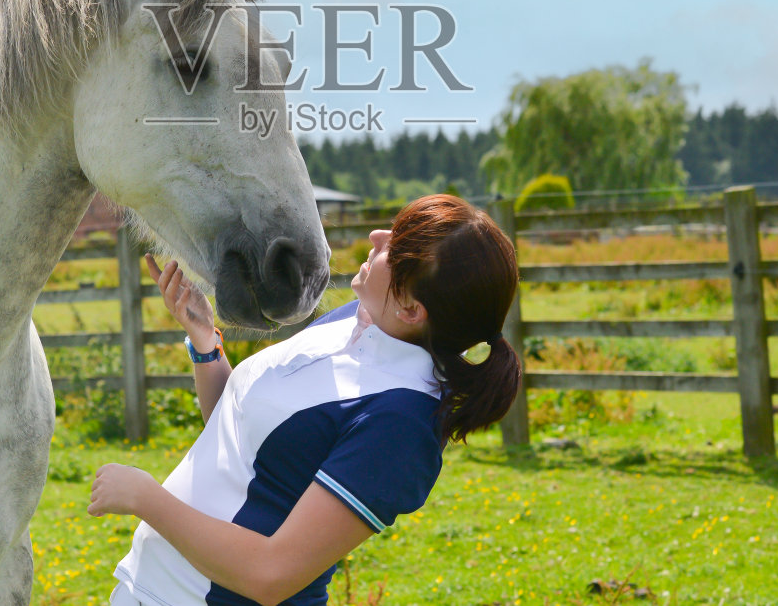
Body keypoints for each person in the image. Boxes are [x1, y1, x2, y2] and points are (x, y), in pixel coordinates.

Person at [87, 194, 523, 606]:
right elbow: (241, 436)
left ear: (411, 308)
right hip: (145, 588)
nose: (377, 237)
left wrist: (147, 499)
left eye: (398, 244)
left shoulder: (403, 422)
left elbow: (271, 575)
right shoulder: (352, 321)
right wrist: (205, 342)